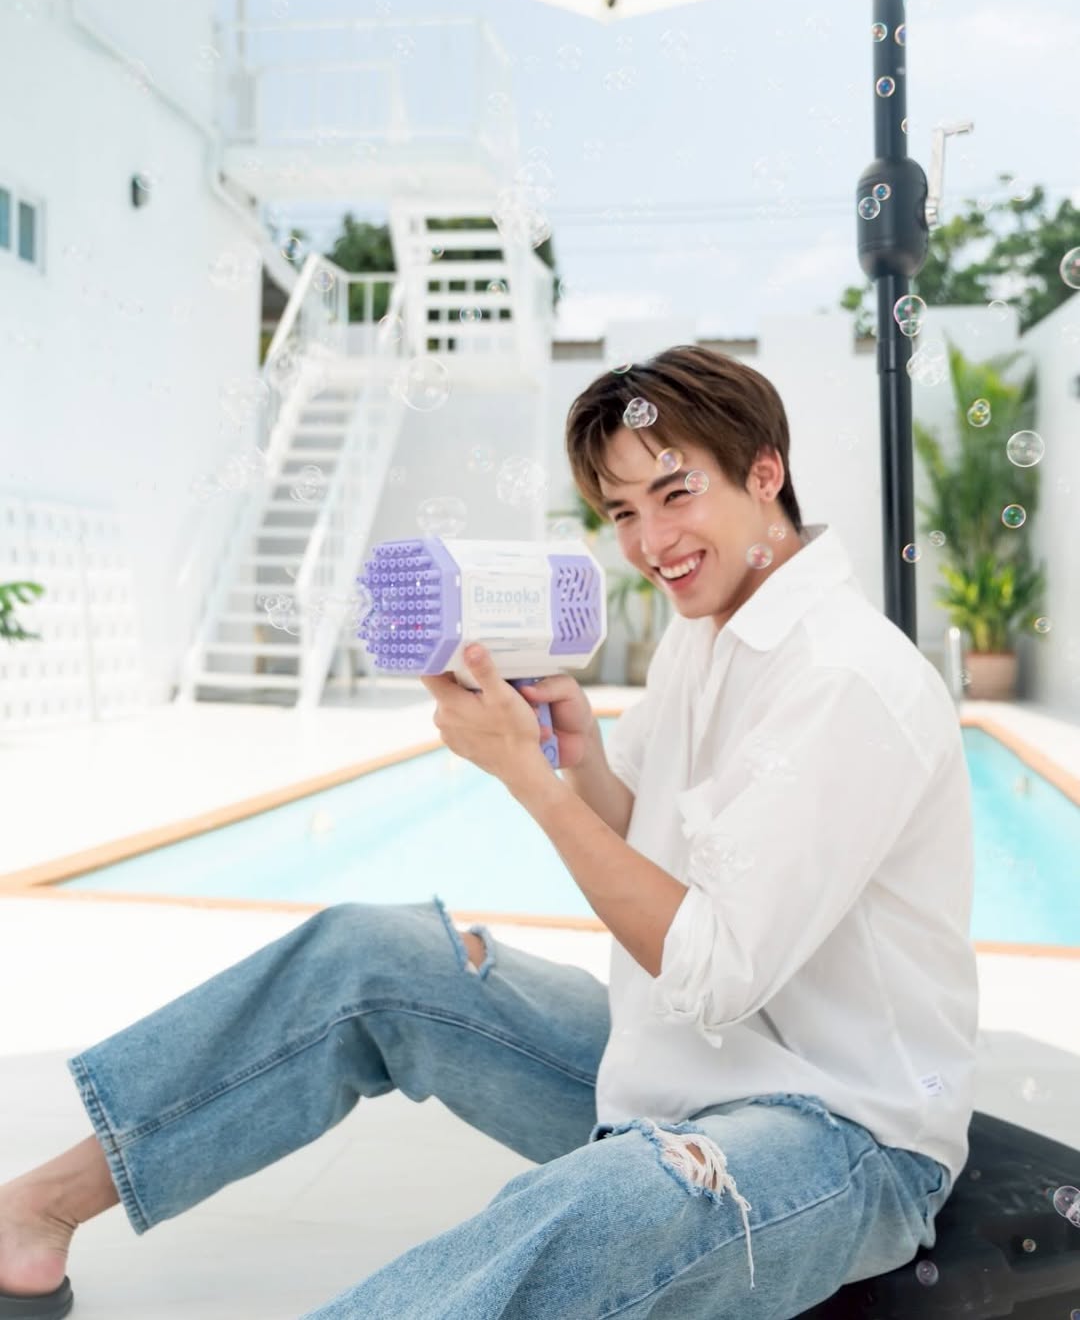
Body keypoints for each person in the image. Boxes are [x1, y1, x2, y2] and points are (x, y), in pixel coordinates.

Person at [0, 344, 978, 1320]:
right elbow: (655, 848)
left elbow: (714, 970)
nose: (651, 543)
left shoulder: (845, 680)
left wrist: (529, 781)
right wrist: (580, 762)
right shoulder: (709, 630)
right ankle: (33, 1213)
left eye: (676, 493)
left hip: (845, 1133)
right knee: (371, 957)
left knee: (609, 1205)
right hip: (687, 1064)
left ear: (765, 473)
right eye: (622, 512)